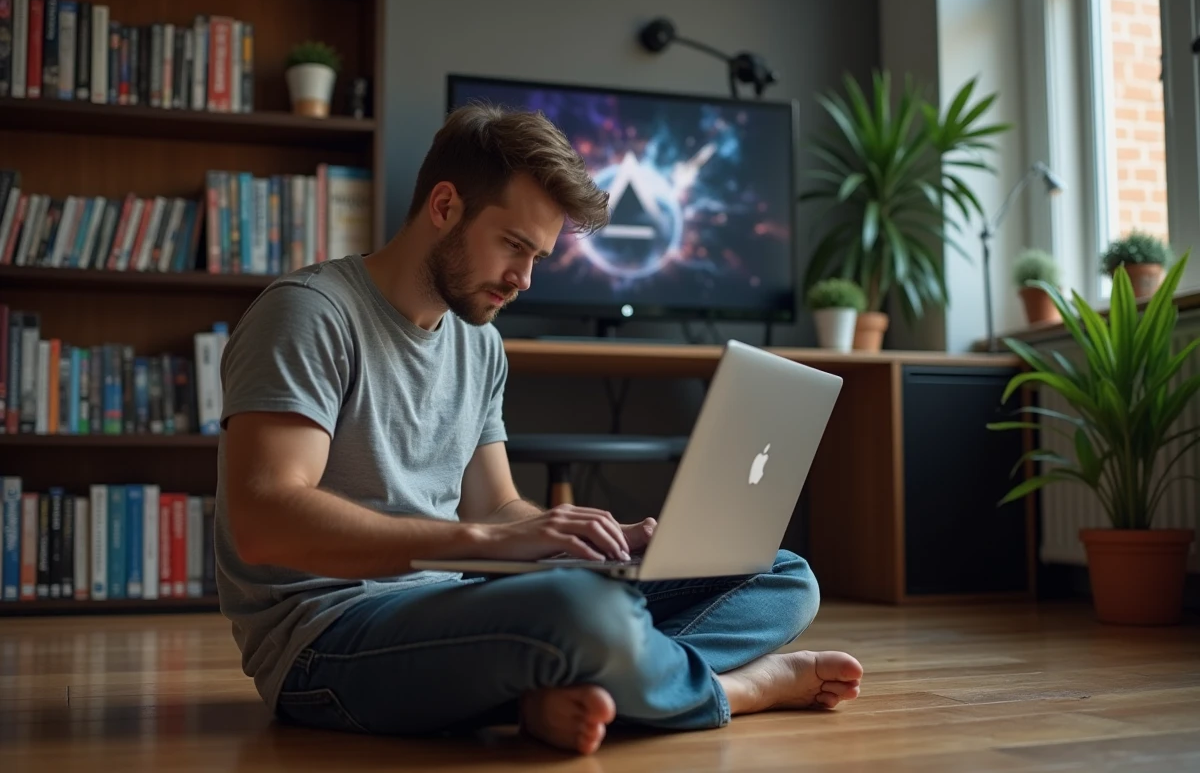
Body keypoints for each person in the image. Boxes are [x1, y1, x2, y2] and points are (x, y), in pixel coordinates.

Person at [214, 103, 863, 756]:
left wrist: (585, 542)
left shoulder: (478, 343)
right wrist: (485, 543)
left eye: (538, 257)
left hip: (450, 603)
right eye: (514, 245)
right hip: (326, 640)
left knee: (778, 575)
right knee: (584, 614)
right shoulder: (310, 314)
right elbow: (265, 520)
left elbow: (495, 507)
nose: (523, 279)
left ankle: (568, 692)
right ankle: (733, 689)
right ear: (444, 206)